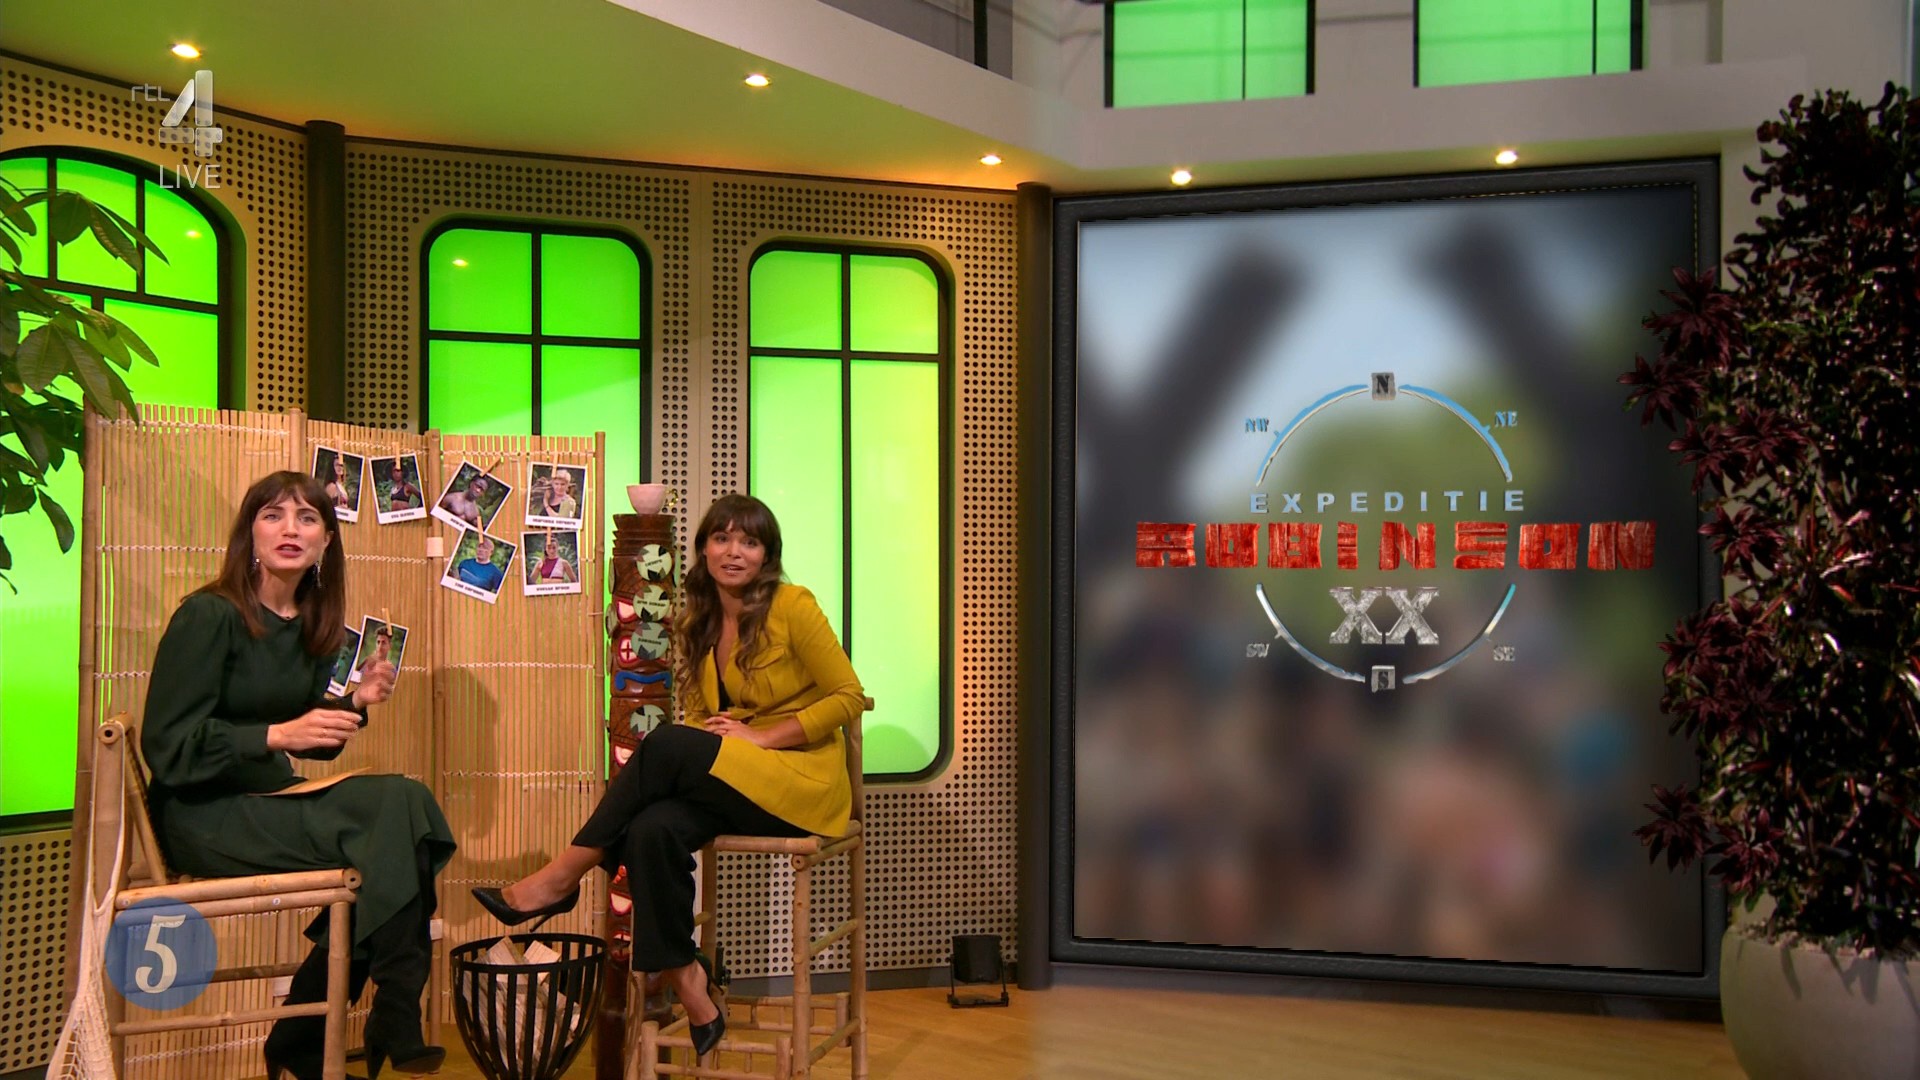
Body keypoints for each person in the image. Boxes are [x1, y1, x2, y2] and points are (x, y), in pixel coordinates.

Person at [472, 494, 863, 1056]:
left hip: (798, 785)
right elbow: (703, 718)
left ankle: (562, 876)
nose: (734, 552)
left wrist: (762, 736)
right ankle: (688, 979)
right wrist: (719, 740)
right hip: (738, 778)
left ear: (767, 555)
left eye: (750, 542)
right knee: (649, 828)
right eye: (722, 539)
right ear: (703, 549)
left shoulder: (793, 606)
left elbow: (848, 696)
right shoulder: (695, 620)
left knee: (665, 743)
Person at [141, 471, 455, 1080]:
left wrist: (356, 702)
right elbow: (170, 747)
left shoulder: (312, 623)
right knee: (395, 815)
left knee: (405, 807)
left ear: (326, 541)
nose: (291, 529)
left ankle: (331, 1031)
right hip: (204, 814)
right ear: (250, 533)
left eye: (307, 518)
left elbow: (314, 736)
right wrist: (276, 736)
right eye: (274, 515)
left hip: (271, 797)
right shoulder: (208, 615)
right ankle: (385, 1015)